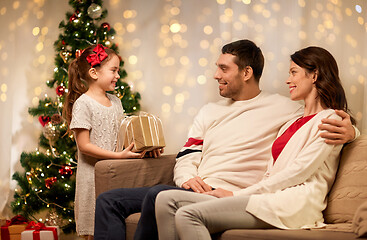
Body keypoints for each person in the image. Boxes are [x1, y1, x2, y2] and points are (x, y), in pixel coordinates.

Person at [93, 40, 357, 240]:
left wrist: (352, 132)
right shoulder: (211, 111)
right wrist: (186, 178)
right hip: (194, 186)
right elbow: (188, 153)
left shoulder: (284, 108)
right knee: (109, 200)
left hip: (235, 190)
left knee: (158, 195)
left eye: (223, 68)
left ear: (246, 73)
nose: (216, 75)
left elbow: (323, 128)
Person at [63, 44, 147, 239]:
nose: (118, 75)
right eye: (113, 70)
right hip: (92, 178)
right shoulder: (83, 104)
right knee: (95, 230)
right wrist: (118, 156)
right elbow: (84, 147)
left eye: (118, 70)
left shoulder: (115, 101)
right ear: (94, 72)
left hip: (114, 174)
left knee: (115, 226)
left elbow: (123, 132)